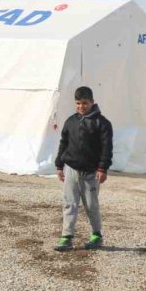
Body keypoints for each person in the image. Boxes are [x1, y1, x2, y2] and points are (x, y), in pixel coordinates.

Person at [54, 86, 113, 252]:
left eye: (85, 103)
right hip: (71, 170)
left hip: (91, 172)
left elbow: (106, 148)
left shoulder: (102, 123)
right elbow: (63, 143)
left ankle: (96, 235)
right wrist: (59, 164)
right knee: (69, 203)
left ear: (92, 102)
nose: (81, 106)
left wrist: (102, 168)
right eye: (78, 103)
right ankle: (66, 237)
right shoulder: (70, 121)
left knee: (91, 204)